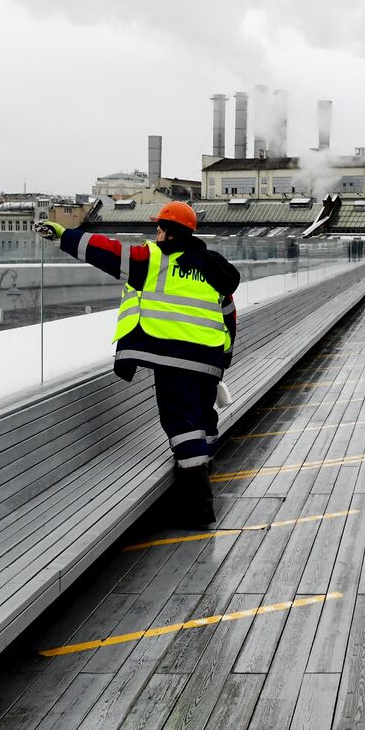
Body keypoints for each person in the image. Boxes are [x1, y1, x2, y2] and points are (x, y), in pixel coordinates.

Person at [35, 202, 240, 527]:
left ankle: (198, 507)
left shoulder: (155, 259)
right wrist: (222, 359)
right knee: (202, 420)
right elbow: (229, 315)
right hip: (210, 359)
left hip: (174, 356)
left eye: (159, 229)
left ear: (169, 232)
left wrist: (64, 236)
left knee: (183, 428)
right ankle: (203, 468)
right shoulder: (211, 267)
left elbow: (108, 253)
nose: (156, 234)